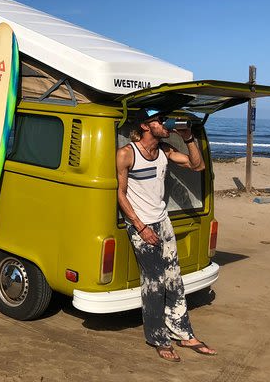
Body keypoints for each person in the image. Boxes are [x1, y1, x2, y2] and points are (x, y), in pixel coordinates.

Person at [116, 109, 217, 362]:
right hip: (141, 225)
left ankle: (184, 332)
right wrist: (140, 226)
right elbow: (120, 194)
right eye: (160, 120)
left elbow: (198, 165)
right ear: (145, 125)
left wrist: (189, 138)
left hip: (163, 221)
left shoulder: (164, 151)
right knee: (154, 283)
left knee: (174, 278)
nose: (165, 124)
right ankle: (158, 338)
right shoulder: (127, 153)